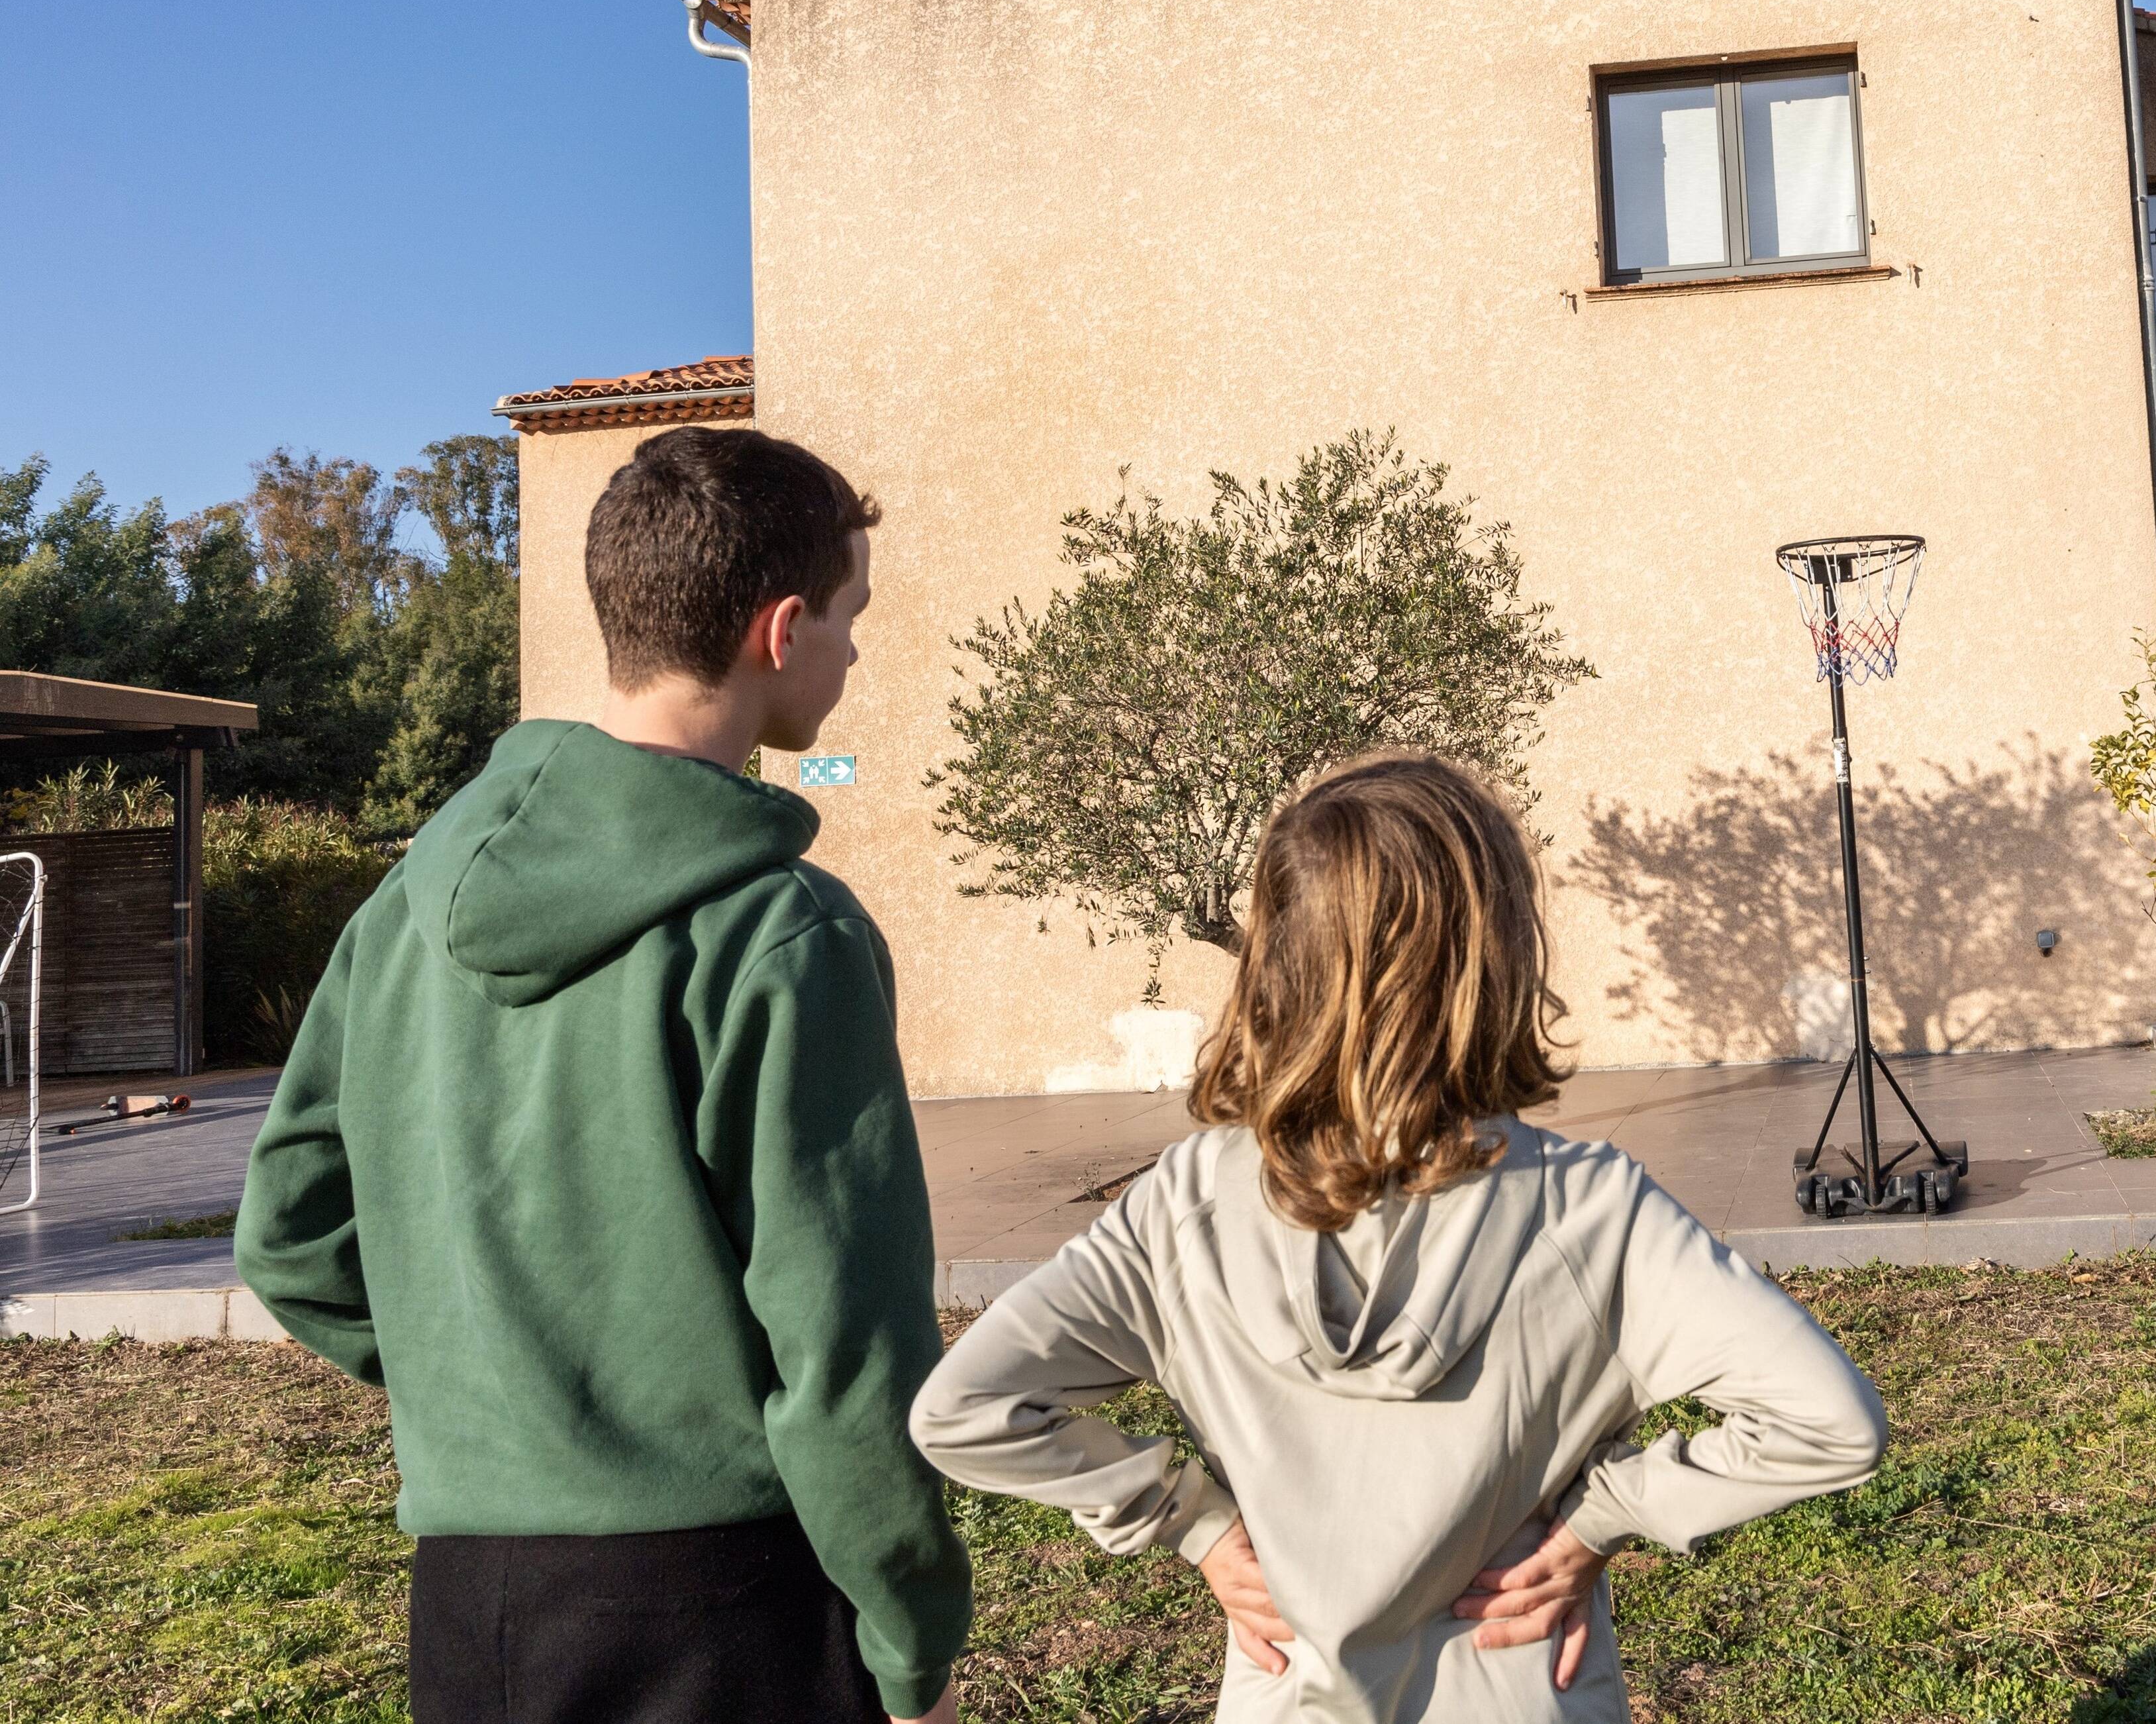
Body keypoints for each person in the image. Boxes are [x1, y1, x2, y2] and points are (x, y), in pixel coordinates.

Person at [236, 425, 971, 1724]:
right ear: (782, 626)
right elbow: (847, 1340)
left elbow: (292, 1238)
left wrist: (496, 1390)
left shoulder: (402, 906)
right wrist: (911, 1638)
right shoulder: (783, 932)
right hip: (729, 1605)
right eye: (852, 617)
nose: (855, 650)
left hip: (471, 1611)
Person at [908, 754, 1886, 1722]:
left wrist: (1194, 1524)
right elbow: (1831, 1421)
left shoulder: (1182, 1206)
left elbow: (965, 1407)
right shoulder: (1592, 1210)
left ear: (1276, 954)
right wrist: (1605, 1518)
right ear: (1492, 951)